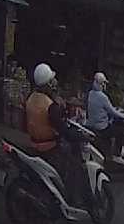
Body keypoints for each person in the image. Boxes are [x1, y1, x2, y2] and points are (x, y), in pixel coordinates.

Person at [25, 63, 86, 202]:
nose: (54, 83)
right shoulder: (50, 105)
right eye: (51, 81)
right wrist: (79, 136)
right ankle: (70, 199)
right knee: (74, 165)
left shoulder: (30, 98)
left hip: (33, 143)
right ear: (47, 84)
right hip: (50, 147)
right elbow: (63, 130)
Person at [85, 72, 124, 164]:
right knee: (120, 131)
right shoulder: (103, 97)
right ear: (101, 84)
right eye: (103, 83)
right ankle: (117, 155)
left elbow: (104, 109)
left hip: (90, 125)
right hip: (101, 127)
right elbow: (112, 112)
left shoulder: (90, 93)